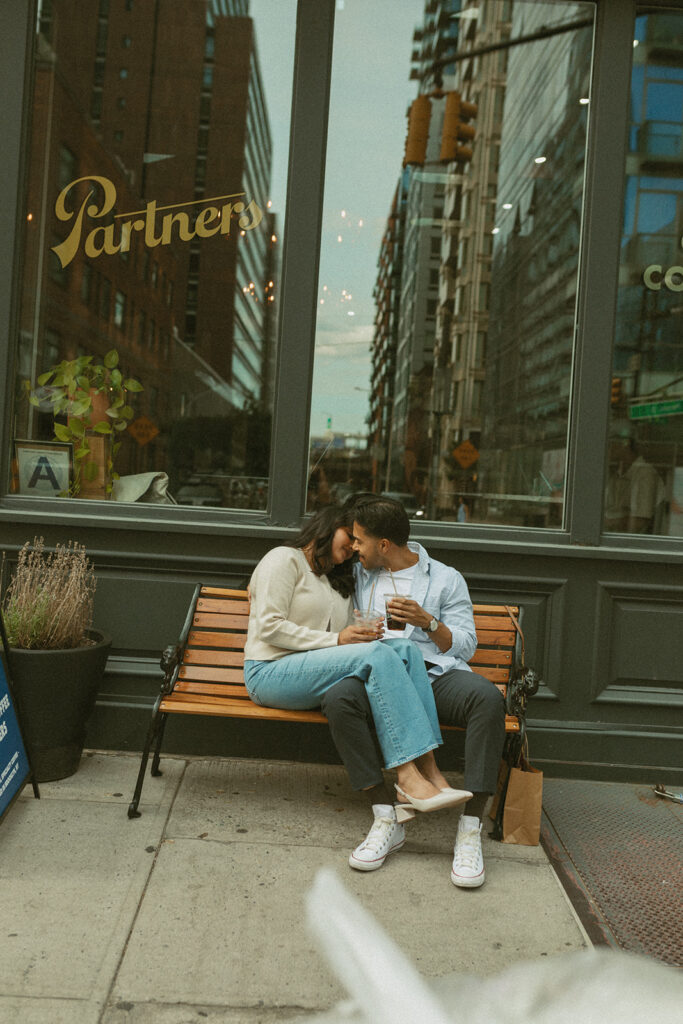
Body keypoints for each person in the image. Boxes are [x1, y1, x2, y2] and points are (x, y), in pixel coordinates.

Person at [243, 504, 471, 840]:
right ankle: (407, 777)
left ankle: (430, 771)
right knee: (378, 656)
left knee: (405, 649)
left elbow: (342, 640)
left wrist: (360, 633)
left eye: (357, 540)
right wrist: (339, 639)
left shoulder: (336, 579)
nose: (353, 546)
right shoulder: (283, 559)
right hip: (270, 672)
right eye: (349, 535)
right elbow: (269, 628)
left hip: (310, 672)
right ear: (326, 526)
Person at [320, 495, 505, 887]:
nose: (354, 547)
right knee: (339, 700)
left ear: (384, 545)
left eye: (360, 540)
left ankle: (469, 831)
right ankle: (386, 817)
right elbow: (306, 576)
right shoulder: (357, 573)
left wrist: (428, 621)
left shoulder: (444, 578)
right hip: (378, 677)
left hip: (436, 676)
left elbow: (466, 644)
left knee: (487, 699)